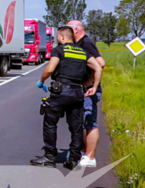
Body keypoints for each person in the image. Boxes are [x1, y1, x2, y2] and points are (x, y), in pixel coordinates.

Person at [31, 25, 102, 169]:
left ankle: (49, 156)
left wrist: (41, 80)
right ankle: (74, 159)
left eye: (57, 37)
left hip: (60, 92)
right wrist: (93, 86)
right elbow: (98, 67)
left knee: (50, 123)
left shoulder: (59, 50)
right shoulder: (83, 52)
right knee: (76, 127)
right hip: (77, 94)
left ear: (63, 37)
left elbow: (50, 69)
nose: (57, 39)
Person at [69, 19, 106, 168]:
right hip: (84, 89)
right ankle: (84, 153)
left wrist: (90, 83)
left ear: (76, 30)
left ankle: (90, 157)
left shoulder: (86, 43)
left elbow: (100, 63)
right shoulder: (80, 43)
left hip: (89, 90)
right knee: (83, 121)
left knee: (90, 123)